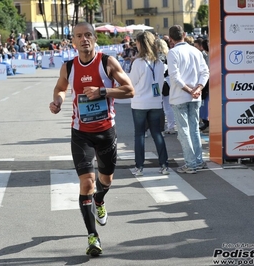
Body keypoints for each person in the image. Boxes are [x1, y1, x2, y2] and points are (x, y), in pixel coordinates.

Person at [49, 21, 134, 257]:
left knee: (106, 180)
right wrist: (57, 101)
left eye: (88, 35)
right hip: (81, 133)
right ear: (73, 42)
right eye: (79, 36)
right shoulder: (68, 67)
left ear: (94, 39)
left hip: (106, 131)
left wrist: (102, 92)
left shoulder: (107, 63)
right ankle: (92, 236)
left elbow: (130, 90)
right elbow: (60, 88)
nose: (84, 39)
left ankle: (99, 200)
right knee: (86, 182)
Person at [167, 25, 209, 174]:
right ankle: (198, 161)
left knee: (184, 132)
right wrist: (198, 88)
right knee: (194, 130)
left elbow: (175, 77)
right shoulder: (196, 51)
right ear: (184, 34)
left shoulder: (173, 52)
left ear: (170, 39)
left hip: (180, 96)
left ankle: (191, 163)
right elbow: (205, 72)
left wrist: (190, 89)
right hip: (195, 96)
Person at [129, 31, 169, 176]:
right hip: (156, 102)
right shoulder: (159, 62)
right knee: (157, 133)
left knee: (139, 134)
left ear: (140, 44)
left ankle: (139, 167)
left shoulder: (138, 63)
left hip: (140, 102)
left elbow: (131, 83)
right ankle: (164, 165)